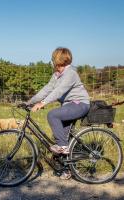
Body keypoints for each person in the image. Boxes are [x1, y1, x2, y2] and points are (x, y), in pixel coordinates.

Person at [27, 47, 90, 179]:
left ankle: (62, 147)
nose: (53, 63)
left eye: (54, 59)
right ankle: (67, 170)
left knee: (52, 115)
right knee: (62, 137)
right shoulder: (56, 75)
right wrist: (29, 102)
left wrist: (42, 104)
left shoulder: (71, 73)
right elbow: (47, 89)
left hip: (80, 104)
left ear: (59, 60)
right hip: (69, 106)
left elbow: (58, 91)